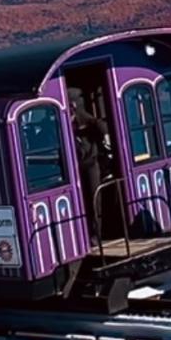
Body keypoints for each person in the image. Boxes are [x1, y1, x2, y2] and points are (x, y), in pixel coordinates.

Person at [68, 87, 110, 244]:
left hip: (90, 163)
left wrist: (101, 137)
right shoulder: (59, 123)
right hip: (73, 167)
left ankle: (96, 234)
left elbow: (100, 126)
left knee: (94, 197)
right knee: (79, 200)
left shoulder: (83, 118)